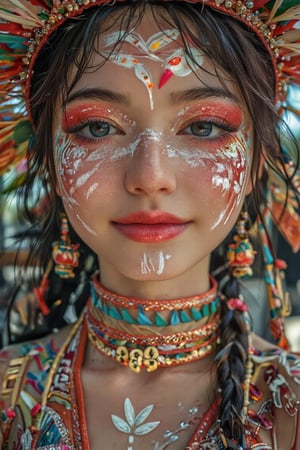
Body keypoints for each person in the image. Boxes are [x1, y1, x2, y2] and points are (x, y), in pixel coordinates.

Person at [0, 0, 300, 448]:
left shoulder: (290, 404)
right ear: (51, 163)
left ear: (257, 162)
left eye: (203, 127)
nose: (149, 177)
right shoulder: (10, 391)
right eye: (98, 128)